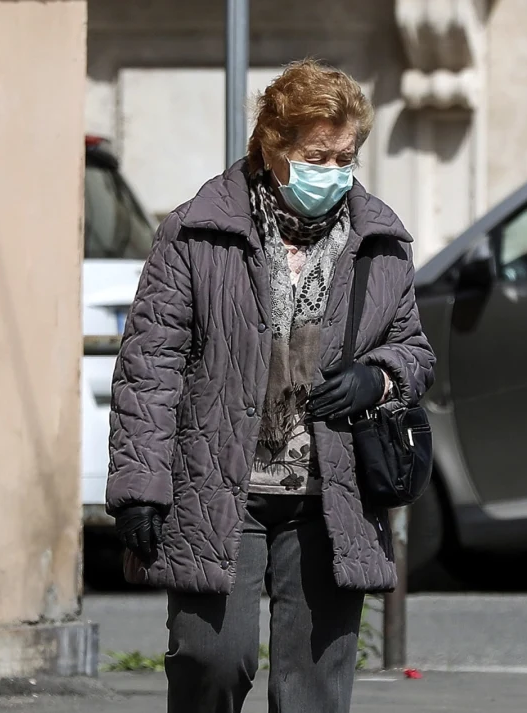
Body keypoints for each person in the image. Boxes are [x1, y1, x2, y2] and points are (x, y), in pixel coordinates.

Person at [106, 59, 435, 713]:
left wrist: (377, 377)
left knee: (313, 689)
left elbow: (414, 351)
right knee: (211, 659)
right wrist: (139, 489)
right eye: (317, 156)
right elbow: (150, 365)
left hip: (330, 492)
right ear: (272, 146)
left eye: (345, 157)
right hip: (218, 484)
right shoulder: (197, 233)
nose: (333, 171)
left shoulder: (379, 241)